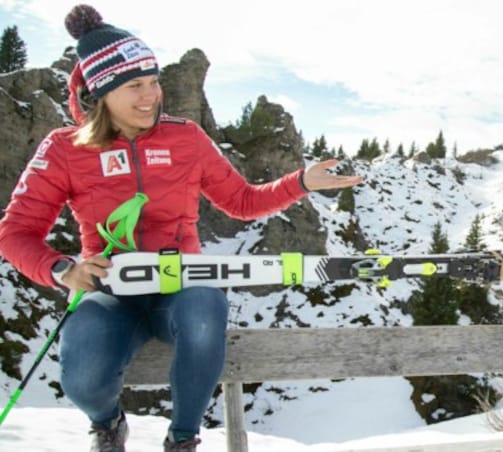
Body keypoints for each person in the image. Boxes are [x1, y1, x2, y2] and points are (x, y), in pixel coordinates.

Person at [0, 5, 362, 452]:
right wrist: (62, 269)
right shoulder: (64, 148)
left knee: (205, 315)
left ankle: (183, 438)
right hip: (112, 290)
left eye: (154, 82)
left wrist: (301, 182)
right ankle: (108, 423)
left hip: (181, 282)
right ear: (102, 93)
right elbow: (15, 232)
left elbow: (241, 201)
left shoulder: (185, 137)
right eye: (135, 86)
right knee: (83, 379)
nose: (151, 96)